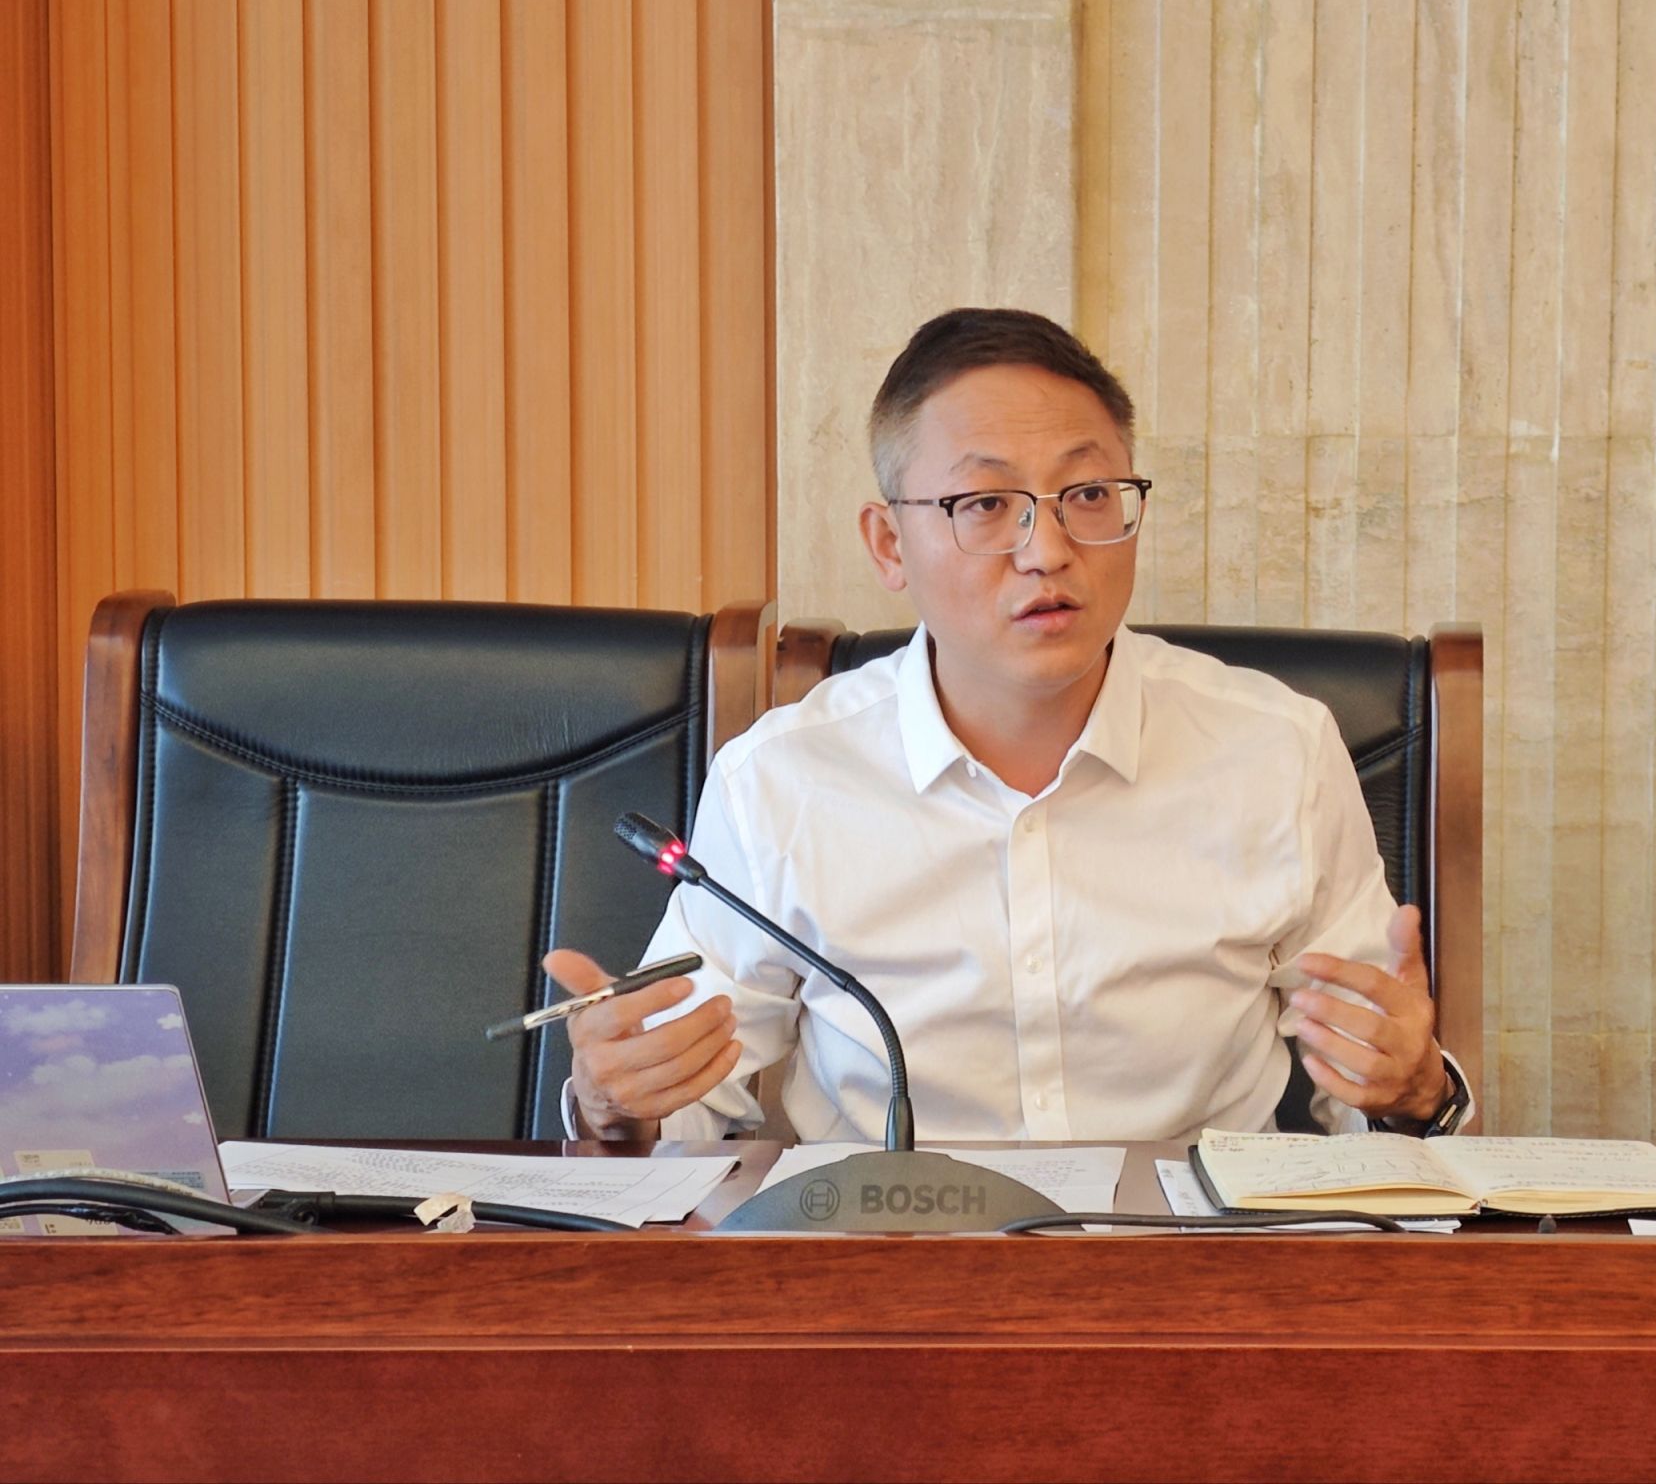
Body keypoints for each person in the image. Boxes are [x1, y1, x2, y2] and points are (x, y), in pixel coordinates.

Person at [546, 308, 1473, 1143]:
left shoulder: (1277, 752)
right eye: (987, 505)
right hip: (889, 1253)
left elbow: (1379, 1105)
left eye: (1089, 495)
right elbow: (679, 1110)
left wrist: (1415, 1092)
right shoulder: (783, 780)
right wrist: (614, 1103)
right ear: (888, 544)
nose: (1048, 551)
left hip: (1188, 1253)